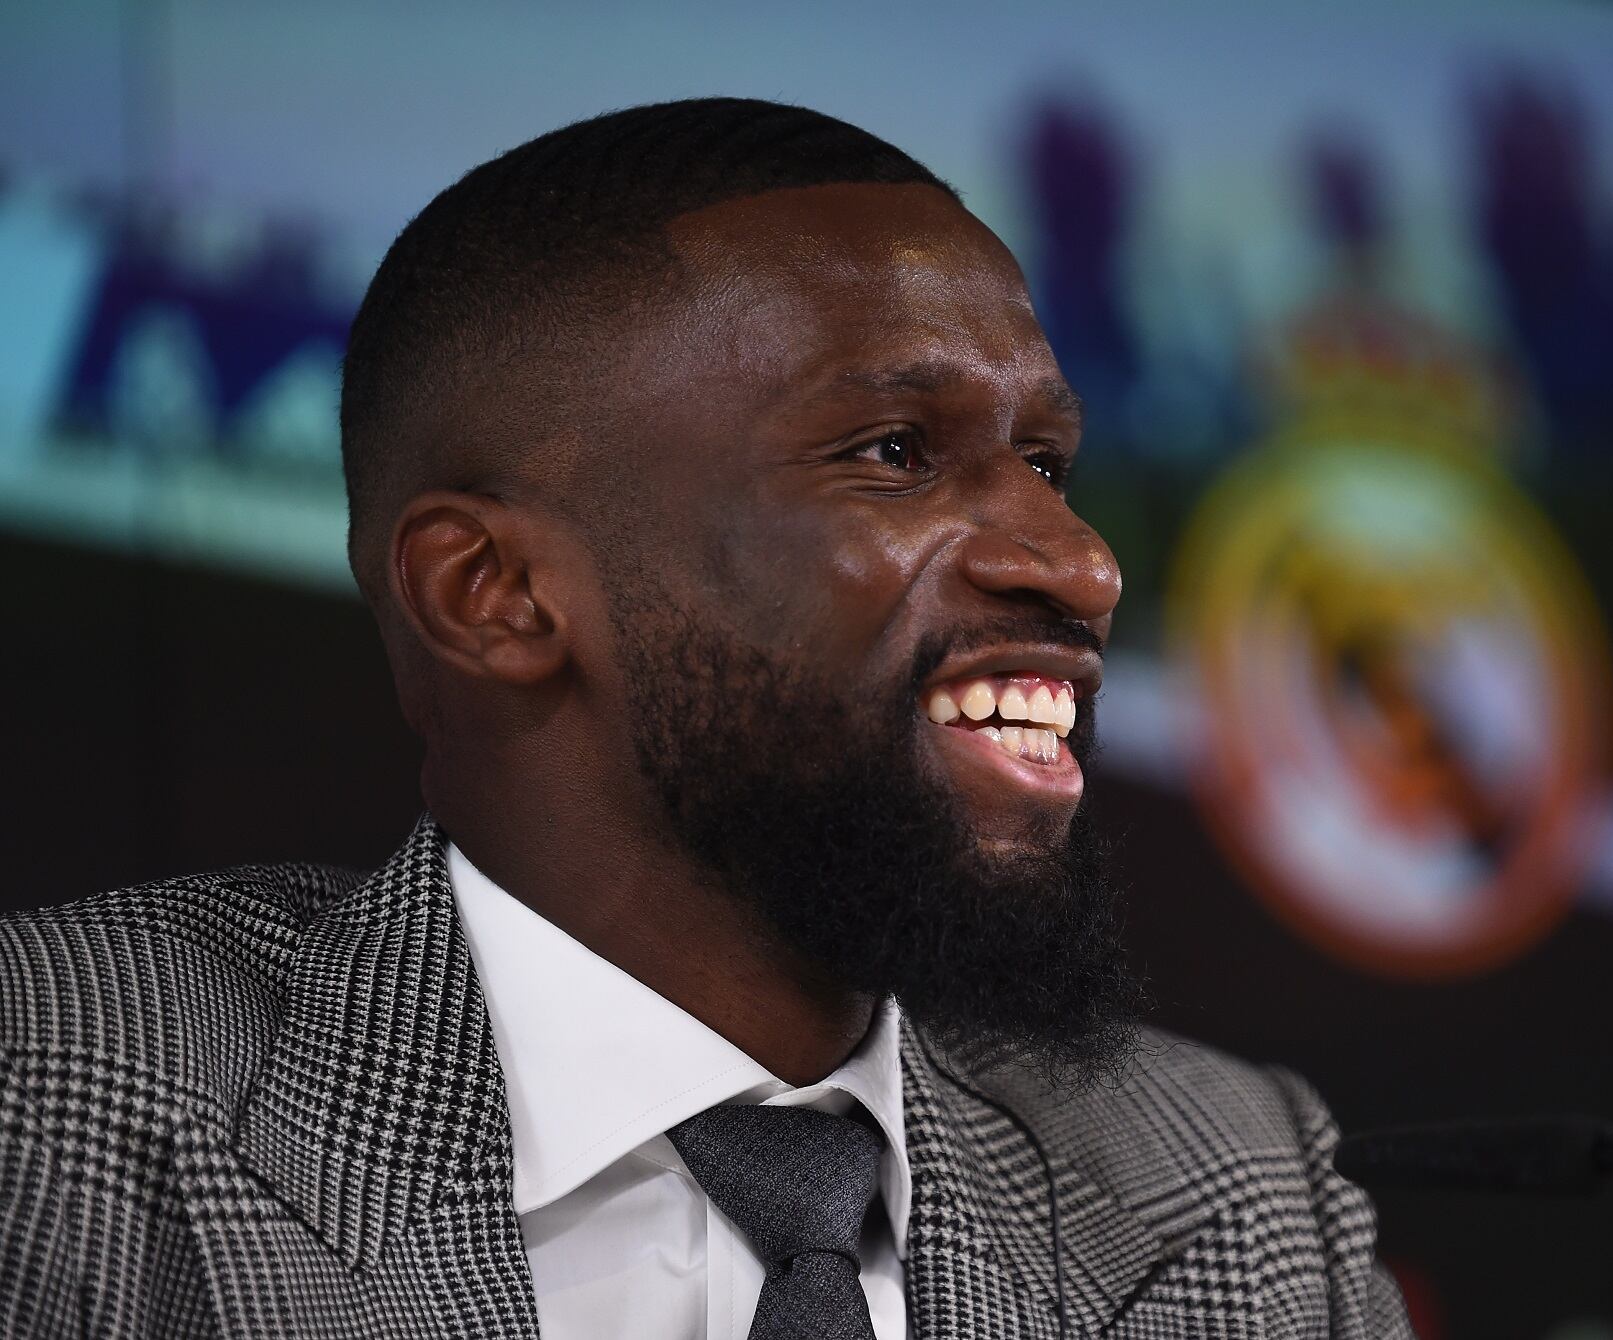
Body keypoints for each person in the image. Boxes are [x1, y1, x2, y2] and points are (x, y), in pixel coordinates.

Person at [0, 98, 1412, 1338]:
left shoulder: (1237, 1189)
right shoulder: (56, 1101)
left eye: (1047, 463)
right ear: (493, 593)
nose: (1081, 565)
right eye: (895, 452)